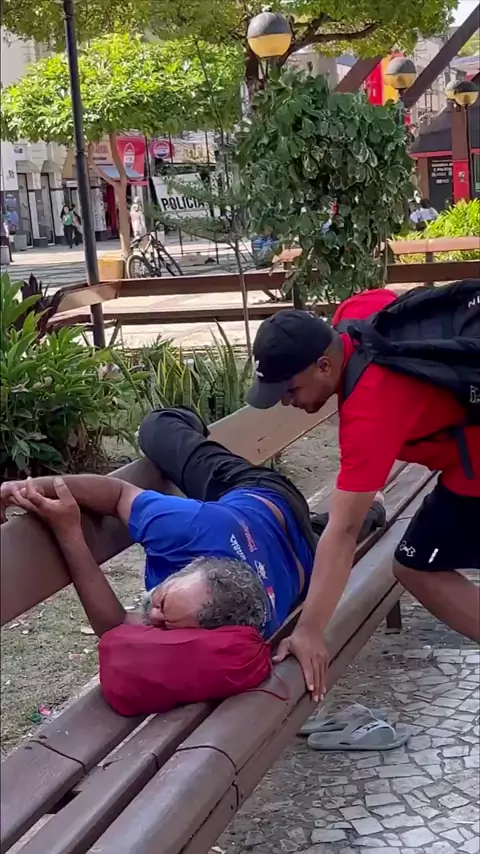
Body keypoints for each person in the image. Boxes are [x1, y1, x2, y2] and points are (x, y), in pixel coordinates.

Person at [246, 286, 480, 699]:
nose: (285, 401)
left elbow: (343, 532)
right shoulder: (355, 316)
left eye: (290, 390)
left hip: (473, 468)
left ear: (323, 365)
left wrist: (309, 630)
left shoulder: (369, 411)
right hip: (464, 456)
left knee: (415, 568)